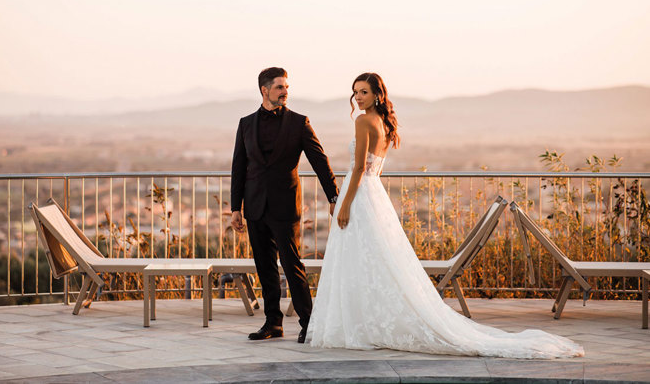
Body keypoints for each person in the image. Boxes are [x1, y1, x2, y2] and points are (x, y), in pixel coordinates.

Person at [306, 72, 584, 359]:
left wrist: (346, 202)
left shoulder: (363, 121)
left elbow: (360, 168)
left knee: (358, 259)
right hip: (374, 195)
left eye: (363, 92)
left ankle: (358, 324)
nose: (358, 98)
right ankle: (367, 321)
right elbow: (374, 169)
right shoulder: (384, 124)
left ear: (377, 94)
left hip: (361, 195)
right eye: (355, 92)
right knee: (373, 260)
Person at [231, 67, 339, 344]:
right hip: (255, 206)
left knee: (293, 265)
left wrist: (333, 196)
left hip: (285, 206)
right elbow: (239, 168)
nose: (285, 91)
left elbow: (319, 160)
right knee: (264, 266)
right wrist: (236, 208)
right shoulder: (245, 124)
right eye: (280, 87)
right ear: (264, 90)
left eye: (286, 87)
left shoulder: (299, 122)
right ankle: (272, 323)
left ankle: (308, 323)